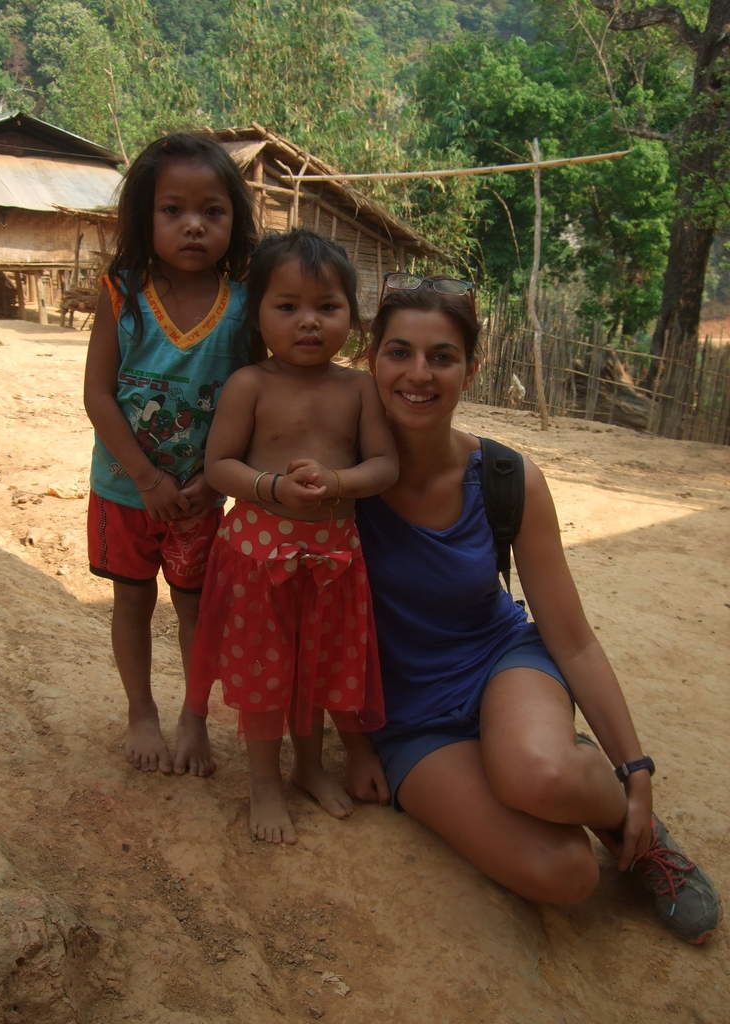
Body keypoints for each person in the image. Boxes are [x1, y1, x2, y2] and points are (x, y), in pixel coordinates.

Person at [346, 275, 722, 945]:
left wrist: (636, 770)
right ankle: (554, 776)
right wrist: (346, 741)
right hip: (406, 720)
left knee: (537, 773)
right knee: (567, 876)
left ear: (472, 368)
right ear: (370, 359)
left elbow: (572, 640)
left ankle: (620, 813)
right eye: (399, 352)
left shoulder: (506, 477)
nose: (418, 374)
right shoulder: (338, 478)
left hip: (500, 666)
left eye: (443, 356)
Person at [176, 229, 398, 844]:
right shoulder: (250, 384)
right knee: (264, 674)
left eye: (327, 308)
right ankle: (263, 784)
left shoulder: (358, 389)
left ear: (352, 317)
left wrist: (336, 480)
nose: (309, 323)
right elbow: (220, 466)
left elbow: (384, 466)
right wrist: (273, 488)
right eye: (288, 307)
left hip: (334, 558)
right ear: (258, 315)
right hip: (254, 559)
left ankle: (308, 767)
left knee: (320, 666)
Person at [84, 131, 258, 776]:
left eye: (212, 212)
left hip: (200, 499)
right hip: (125, 492)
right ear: (144, 217)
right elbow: (99, 396)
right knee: (131, 601)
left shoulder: (244, 305)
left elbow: (253, 402)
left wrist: (214, 485)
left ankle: (192, 716)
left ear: (234, 221)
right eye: (173, 210)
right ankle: (141, 713)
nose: (194, 226)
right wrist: (145, 475)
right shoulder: (122, 292)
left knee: (193, 607)